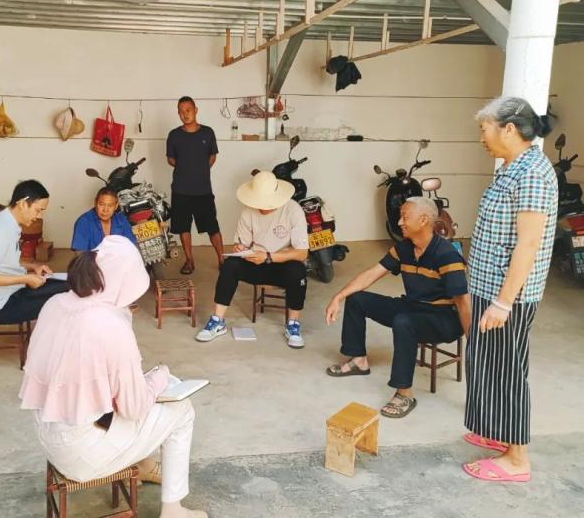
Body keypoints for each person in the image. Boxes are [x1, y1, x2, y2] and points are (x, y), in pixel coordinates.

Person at [20, 236, 207, 518]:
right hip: (82, 455)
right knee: (181, 409)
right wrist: (159, 378)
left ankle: (144, 465)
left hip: (49, 437)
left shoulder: (54, 304)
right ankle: (173, 510)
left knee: (128, 393)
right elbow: (134, 408)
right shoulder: (110, 323)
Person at [462, 97, 557, 483]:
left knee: (508, 371)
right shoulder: (511, 167)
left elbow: (528, 243)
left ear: (509, 129)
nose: (481, 138)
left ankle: (517, 459)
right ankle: (499, 433)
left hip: (508, 295)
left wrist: (503, 303)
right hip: (488, 287)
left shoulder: (531, 173)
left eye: (484, 129)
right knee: (490, 364)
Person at [324, 197, 470, 418]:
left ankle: (404, 394)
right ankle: (358, 359)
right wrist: (339, 296)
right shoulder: (404, 248)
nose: (400, 222)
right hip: (412, 307)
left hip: (443, 318)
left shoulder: (446, 254)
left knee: (404, 322)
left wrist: (474, 343)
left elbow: (462, 301)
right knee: (357, 298)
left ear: (423, 220)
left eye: (405, 217)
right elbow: (373, 273)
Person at [195, 171, 309, 349]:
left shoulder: (293, 210)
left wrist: (269, 256)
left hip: (281, 265)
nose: (263, 207)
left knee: (298, 271)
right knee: (230, 266)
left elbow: (302, 253)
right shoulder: (248, 211)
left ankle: (293, 325)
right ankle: (218, 321)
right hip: (256, 263)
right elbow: (243, 243)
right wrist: (239, 248)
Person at [0, 179, 69, 323]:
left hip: (10, 293)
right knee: (67, 294)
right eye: (38, 210)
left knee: (67, 284)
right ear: (22, 204)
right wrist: (26, 278)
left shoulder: (8, 223)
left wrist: (33, 266)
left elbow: (5, 261)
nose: (39, 216)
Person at [166, 96, 223, 274]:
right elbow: (171, 159)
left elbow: (212, 156)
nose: (185, 114)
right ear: (178, 113)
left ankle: (222, 260)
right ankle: (189, 260)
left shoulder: (207, 133)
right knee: (183, 227)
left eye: (188, 110)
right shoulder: (174, 135)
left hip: (203, 190)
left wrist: (200, 169)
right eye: (181, 111)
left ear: (196, 110)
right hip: (180, 190)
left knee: (212, 227)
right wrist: (186, 167)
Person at [71, 187, 137, 251]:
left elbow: (132, 246)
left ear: (116, 206)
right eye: (101, 204)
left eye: (110, 205)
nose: (105, 210)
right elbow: (80, 253)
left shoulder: (121, 220)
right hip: (92, 258)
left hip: (119, 257)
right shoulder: (84, 222)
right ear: (95, 202)